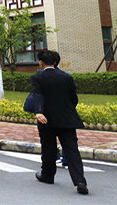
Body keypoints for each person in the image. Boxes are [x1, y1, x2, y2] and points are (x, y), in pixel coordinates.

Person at [32, 50, 88, 195]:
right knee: (72, 150)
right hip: (67, 119)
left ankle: (47, 175)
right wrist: (67, 110)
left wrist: (39, 111)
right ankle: (80, 181)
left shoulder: (38, 77)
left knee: (48, 148)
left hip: (46, 119)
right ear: (56, 62)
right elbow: (73, 98)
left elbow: (38, 95)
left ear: (41, 63)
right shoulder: (66, 77)